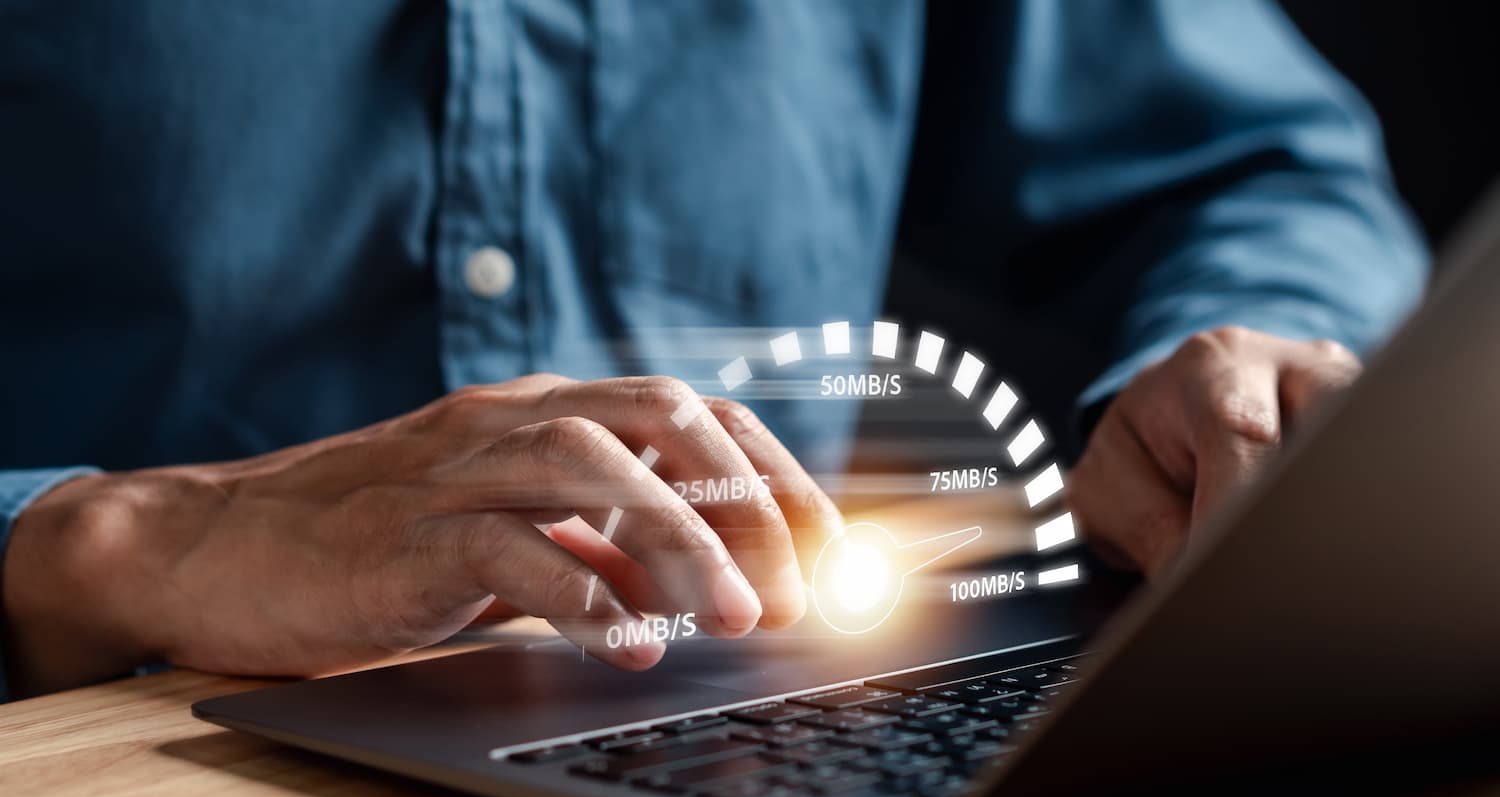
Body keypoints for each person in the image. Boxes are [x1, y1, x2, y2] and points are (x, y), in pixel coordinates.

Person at [0, 2, 1426, 701]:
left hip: (756, 729)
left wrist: (1228, 387)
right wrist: (108, 539)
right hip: (107, 774)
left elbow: (1256, 175)